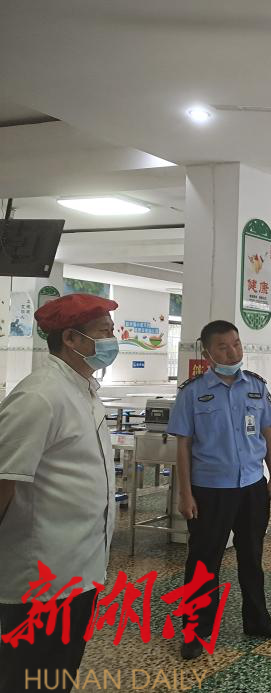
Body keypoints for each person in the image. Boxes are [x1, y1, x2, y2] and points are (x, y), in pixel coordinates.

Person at [0, 293, 120, 693]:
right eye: (104, 332)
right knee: (28, 676)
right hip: (43, 576)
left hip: (81, 566)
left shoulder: (83, 388)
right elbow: (4, 479)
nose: (112, 340)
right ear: (71, 338)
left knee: (57, 673)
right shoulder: (40, 395)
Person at [166, 319, 271, 661]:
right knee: (204, 562)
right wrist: (185, 493)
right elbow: (183, 446)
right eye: (223, 347)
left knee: (252, 557)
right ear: (207, 354)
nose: (232, 352)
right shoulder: (192, 392)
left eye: (236, 344)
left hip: (252, 487)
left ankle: (257, 620)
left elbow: (268, 435)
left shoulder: (256, 386)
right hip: (209, 490)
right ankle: (196, 631)